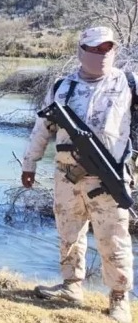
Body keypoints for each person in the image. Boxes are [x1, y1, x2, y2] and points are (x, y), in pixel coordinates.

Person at [21, 27, 133, 323]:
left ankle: (119, 298)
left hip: (109, 178)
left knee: (114, 240)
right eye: (95, 48)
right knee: (69, 234)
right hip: (66, 176)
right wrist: (29, 163)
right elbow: (42, 127)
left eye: (107, 48)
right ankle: (71, 286)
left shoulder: (128, 82)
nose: (102, 54)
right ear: (82, 49)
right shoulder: (62, 86)